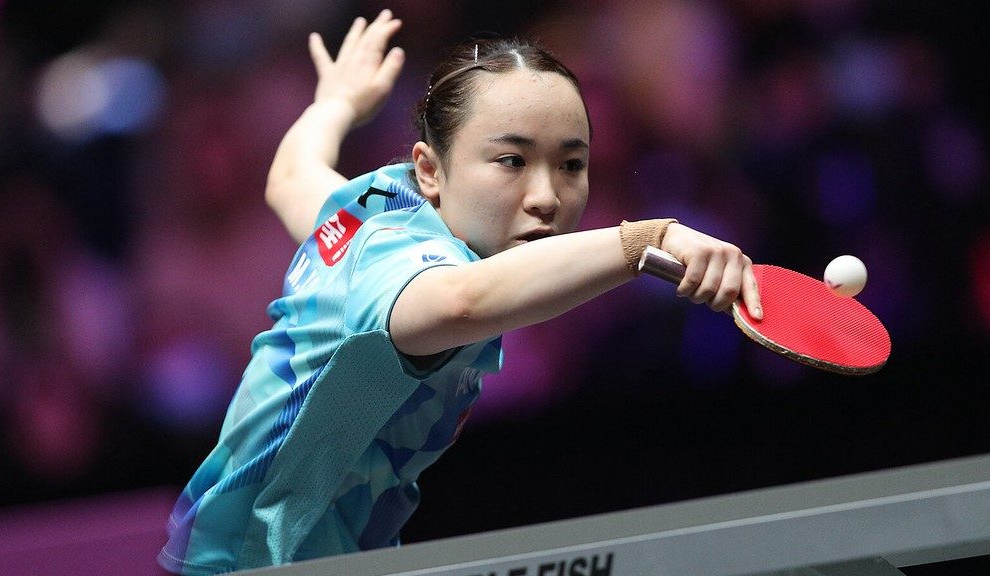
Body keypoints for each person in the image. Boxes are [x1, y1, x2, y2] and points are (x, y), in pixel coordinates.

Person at [159, 10, 762, 575]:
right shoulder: (397, 260)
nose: (546, 198)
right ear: (430, 169)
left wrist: (336, 103)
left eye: (571, 165)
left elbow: (291, 175)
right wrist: (647, 241)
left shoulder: (376, 208)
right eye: (511, 161)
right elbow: (461, 301)